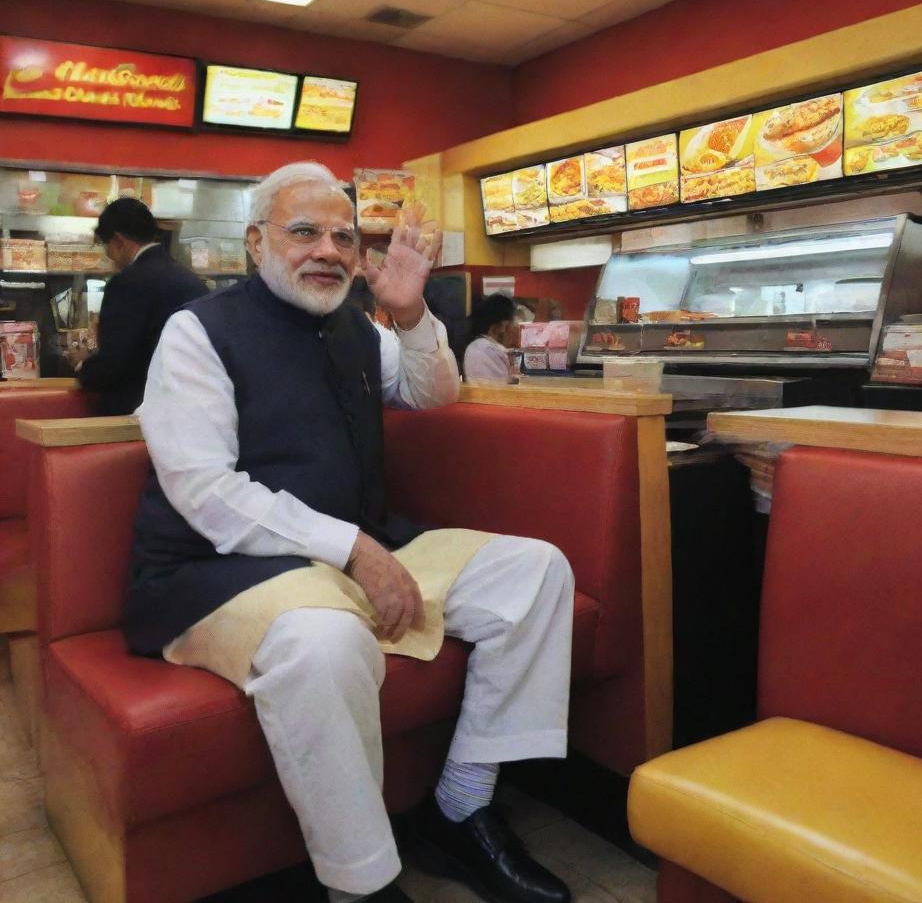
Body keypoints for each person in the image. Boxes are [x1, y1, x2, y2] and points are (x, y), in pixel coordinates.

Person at [123, 162, 573, 903]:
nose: (327, 250)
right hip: (215, 570)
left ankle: (459, 806)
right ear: (255, 241)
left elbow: (434, 392)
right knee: (325, 642)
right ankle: (362, 884)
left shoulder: (360, 328)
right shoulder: (197, 331)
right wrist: (352, 548)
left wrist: (411, 312)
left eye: (342, 236)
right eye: (304, 232)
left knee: (537, 572)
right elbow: (204, 489)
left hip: (357, 549)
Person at [65, 198, 208, 414]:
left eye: (107, 248)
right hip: (190, 408)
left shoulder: (127, 283)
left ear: (118, 241)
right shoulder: (190, 279)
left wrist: (84, 367)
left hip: (137, 415)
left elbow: (115, 363)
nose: (109, 258)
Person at [463, 293, 517, 383]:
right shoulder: (488, 350)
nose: (515, 328)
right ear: (503, 326)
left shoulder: (476, 346)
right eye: (513, 323)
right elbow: (501, 390)